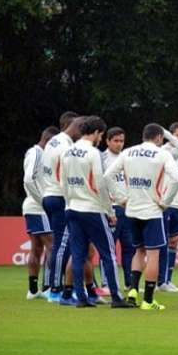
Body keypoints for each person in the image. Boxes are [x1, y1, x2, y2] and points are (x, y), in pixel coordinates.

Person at [105, 123, 178, 310]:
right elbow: (177, 179)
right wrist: (165, 201)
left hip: (132, 209)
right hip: (152, 210)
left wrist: (121, 198)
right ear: (158, 138)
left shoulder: (128, 152)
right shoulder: (162, 154)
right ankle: (148, 300)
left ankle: (132, 291)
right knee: (153, 254)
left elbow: (107, 175)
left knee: (138, 251)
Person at [60, 116, 132, 308]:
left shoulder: (67, 152)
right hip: (91, 209)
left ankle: (81, 298)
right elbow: (100, 183)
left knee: (78, 253)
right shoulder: (94, 153)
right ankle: (116, 297)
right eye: (101, 135)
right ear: (98, 133)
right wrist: (110, 211)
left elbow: (63, 181)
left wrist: (68, 202)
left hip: (72, 207)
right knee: (108, 253)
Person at [41, 111, 80, 302]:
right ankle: (55, 289)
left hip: (48, 194)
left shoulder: (52, 141)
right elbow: (65, 173)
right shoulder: (66, 145)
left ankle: (55, 286)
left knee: (59, 243)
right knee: (62, 244)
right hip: (59, 196)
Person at [22, 126, 58, 299]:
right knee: (52, 245)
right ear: (48, 140)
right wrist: (42, 201)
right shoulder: (36, 153)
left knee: (37, 247)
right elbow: (29, 179)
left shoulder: (38, 154)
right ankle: (48, 287)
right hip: (38, 207)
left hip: (32, 207)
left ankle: (33, 289)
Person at [158, 122, 178, 292]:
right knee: (162, 242)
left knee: (174, 241)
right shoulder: (163, 152)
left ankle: (167, 280)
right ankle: (160, 280)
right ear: (170, 136)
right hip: (166, 203)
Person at [101, 126, 134, 290]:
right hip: (111, 208)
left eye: (122, 141)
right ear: (107, 141)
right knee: (109, 247)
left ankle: (129, 283)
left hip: (127, 208)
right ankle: (106, 283)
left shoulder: (127, 157)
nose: (119, 144)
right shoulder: (102, 158)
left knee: (129, 247)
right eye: (116, 141)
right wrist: (107, 208)